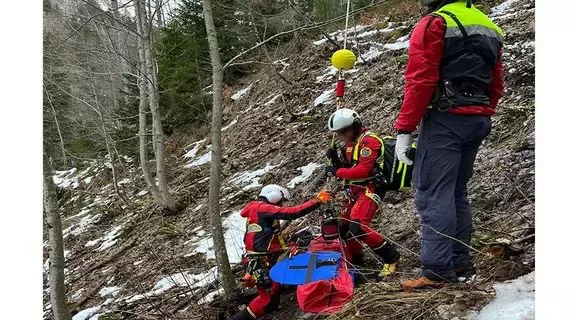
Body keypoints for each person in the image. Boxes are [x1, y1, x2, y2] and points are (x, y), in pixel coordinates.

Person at [393, 0, 504, 291]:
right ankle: (459, 262)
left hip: (446, 119)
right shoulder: (489, 26)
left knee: (432, 193)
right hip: (478, 117)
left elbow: (420, 80)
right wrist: (482, 111)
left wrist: (405, 129)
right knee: (456, 191)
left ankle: (437, 271)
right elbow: (496, 83)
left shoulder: (435, 22)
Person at [229, 184, 333, 320]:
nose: (281, 204)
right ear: (273, 195)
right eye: (280, 201)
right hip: (260, 262)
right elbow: (292, 213)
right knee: (268, 301)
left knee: (273, 295)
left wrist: (286, 245)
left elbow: (263, 237)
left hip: (262, 259)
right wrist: (317, 201)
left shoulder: (256, 211)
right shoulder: (262, 208)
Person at [325, 108, 401, 276]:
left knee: (358, 227)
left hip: (370, 188)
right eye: (338, 132)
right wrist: (336, 160)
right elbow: (347, 168)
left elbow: (362, 171)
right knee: (344, 227)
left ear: (356, 126)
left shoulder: (369, 142)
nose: (341, 135)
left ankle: (391, 258)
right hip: (353, 190)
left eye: (344, 131)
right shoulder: (351, 145)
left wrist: (335, 171)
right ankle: (357, 261)